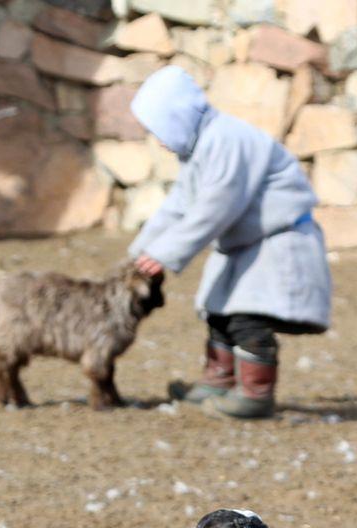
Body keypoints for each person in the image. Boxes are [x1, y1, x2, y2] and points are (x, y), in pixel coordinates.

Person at [127, 66, 331, 420]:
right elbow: (179, 204)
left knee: (248, 317)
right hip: (245, 243)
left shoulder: (228, 141)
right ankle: (219, 380)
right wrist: (142, 252)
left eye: (159, 128)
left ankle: (255, 393)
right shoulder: (201, 149)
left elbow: (215, 207)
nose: (158, 140)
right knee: (217, 311)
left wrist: (164, 254)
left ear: (178, 117)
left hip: (277, 241)